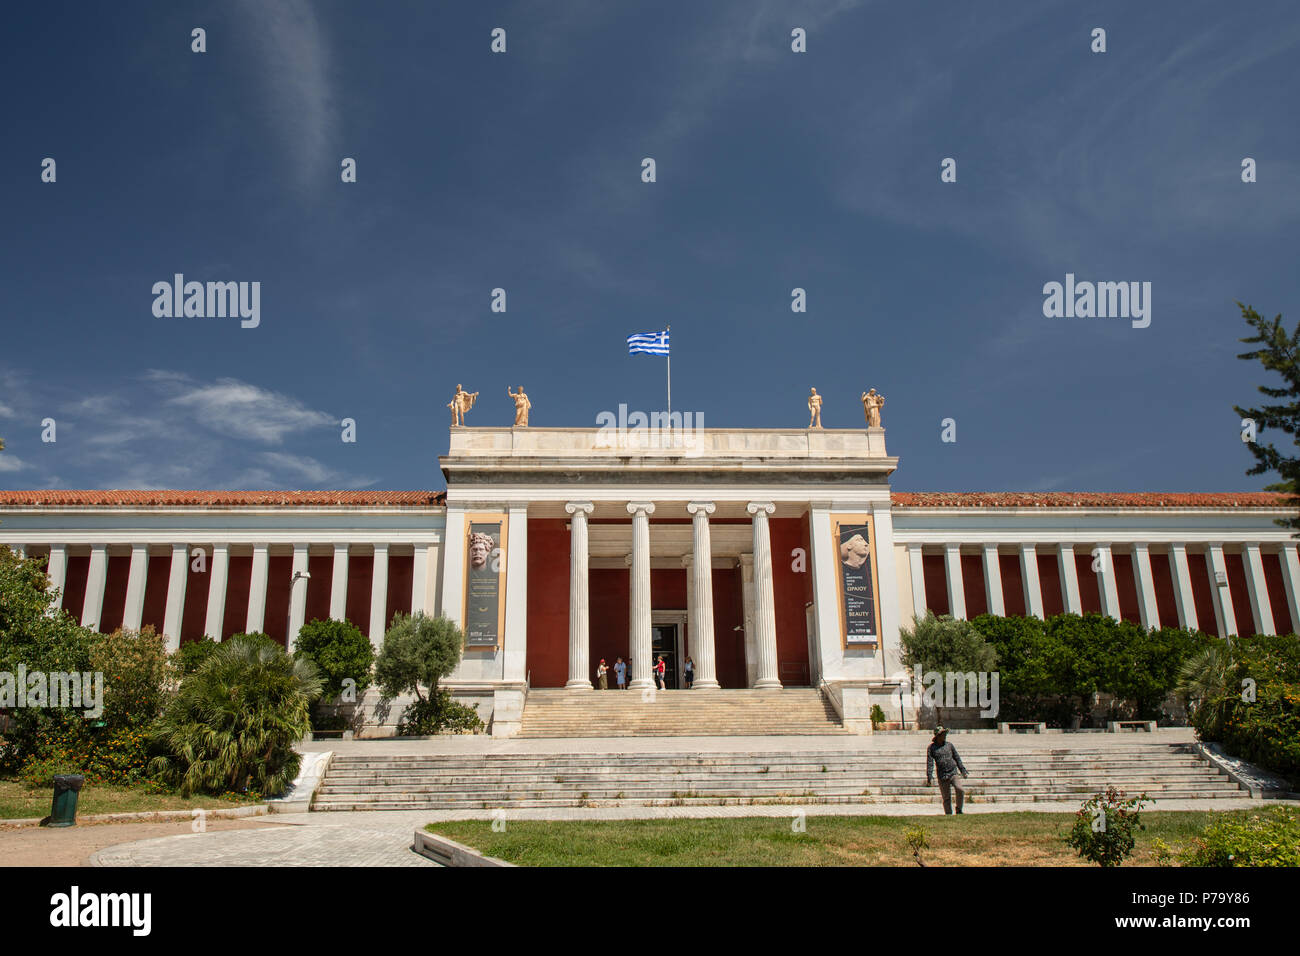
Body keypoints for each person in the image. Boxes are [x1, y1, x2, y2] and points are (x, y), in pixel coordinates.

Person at [926, 726, 969, 815]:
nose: (945, 736)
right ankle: (948, 814)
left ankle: (959, 809)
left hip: (953, 772)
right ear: (938, 736)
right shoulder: (931, 748)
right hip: (942, 775)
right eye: (943, 734)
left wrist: (962, 770)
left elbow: (957, 758)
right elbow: (930, 763)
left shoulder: (949, 745)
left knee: (960, 789)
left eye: (945, 734)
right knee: (946, 797)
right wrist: (929, 776)